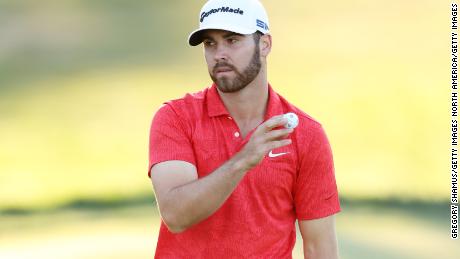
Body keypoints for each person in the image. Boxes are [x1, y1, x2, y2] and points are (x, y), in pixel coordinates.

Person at [148, 0, 341, 258]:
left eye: (232, 40)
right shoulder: (175, 118)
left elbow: (320, 247)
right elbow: (176, 215)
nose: (219, 54)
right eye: (210, 43)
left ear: (265, 44)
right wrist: (244, 160)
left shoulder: (306, 134)